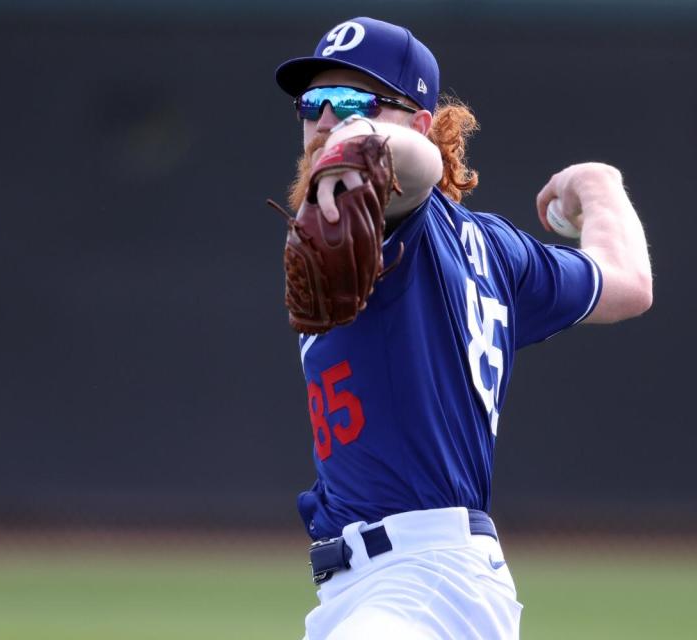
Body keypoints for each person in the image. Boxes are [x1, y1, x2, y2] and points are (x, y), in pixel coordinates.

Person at [274, 16, 653, 640]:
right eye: (312, 104)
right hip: (401, 591)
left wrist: (364, 147)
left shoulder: (396, 216)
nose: (324, 121)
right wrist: (599, 185)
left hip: (414, 587)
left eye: (351, 103)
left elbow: (410, 164)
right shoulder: (497, 251)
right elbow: (627, 279)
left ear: (420, 121)